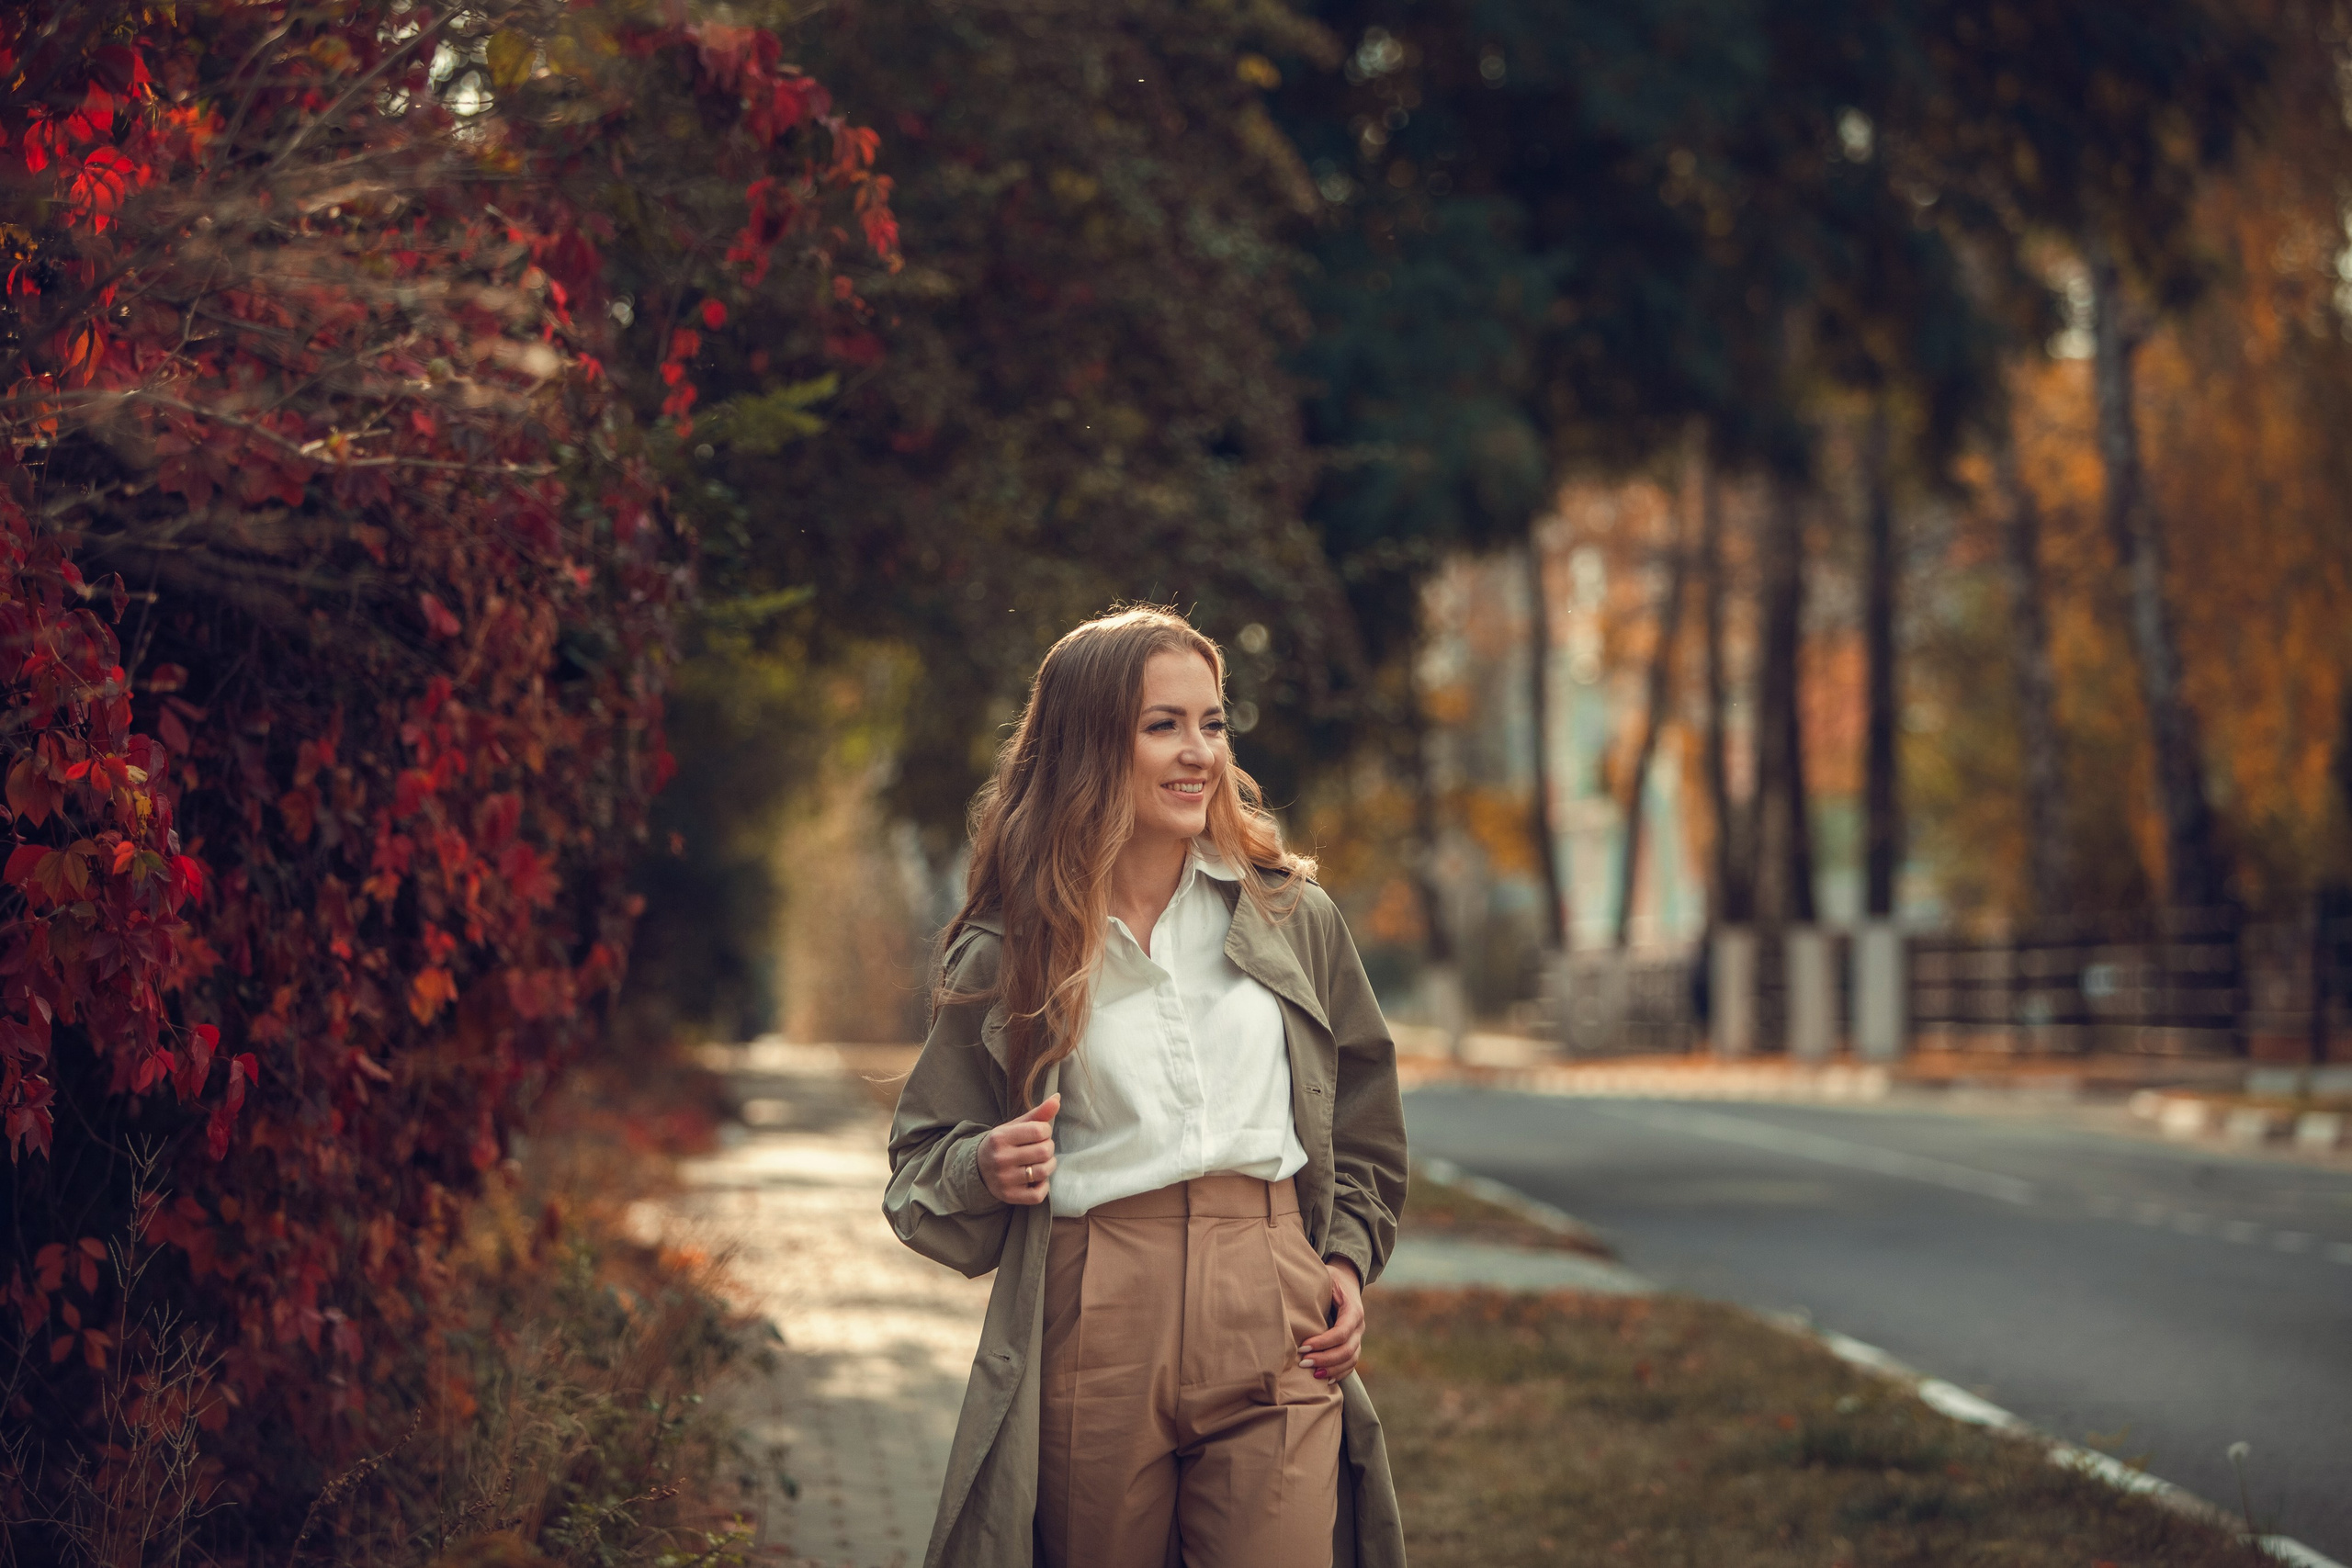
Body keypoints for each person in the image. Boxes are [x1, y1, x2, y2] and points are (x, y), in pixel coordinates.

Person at [884, 606, 1410, 1568]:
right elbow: (919, 1165)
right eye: (1162, 725)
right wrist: (983, 1165)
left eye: (1212, 723)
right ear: (1089, 745)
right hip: (1095, 1308)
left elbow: (1364, 1102)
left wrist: (1342, 1259)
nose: (1199, 752)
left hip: (1272, 1294)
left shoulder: (1290, 915)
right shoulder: (1014, 948)